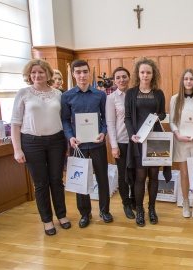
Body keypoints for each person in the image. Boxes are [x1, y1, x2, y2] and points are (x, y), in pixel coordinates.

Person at [11, 59, 70, 236]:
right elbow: (15, 123)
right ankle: (47, 220)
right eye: (33, 72)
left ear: (48, 74)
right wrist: (17, 149)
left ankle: (62, 215)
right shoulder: (23, 93)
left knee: (57, 181)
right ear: (29, 75)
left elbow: (64, 120)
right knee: (41, 184)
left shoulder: (58, 94)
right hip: (31, 143)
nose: (37, 75)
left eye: (41, 72)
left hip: (57, 142)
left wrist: (67, 143)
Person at [61, 59, 112, 228]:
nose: (82, 75)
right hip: (78, 145)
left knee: (103, 178)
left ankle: (104, 210)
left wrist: (103, 133)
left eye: (85, 71)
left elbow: (105, 119)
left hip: (97, 144)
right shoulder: (66, 96)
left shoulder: (100, 95)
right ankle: (85, 213)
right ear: (74, 74)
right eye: (78, 72)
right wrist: (70, 136)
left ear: (89, 72)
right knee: (80, 179)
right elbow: (65, 121)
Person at [125, 57, 166, 227]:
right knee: (140, 176)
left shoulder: (159, 93)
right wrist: (131, 135)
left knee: (154, 175)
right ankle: (140, 210)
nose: (145, 75)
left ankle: (152, 209)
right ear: (138, 73)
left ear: (153, 74)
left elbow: (163, 113)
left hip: (155, 139)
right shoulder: (131, 93)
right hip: (138, 140)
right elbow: (127, 117)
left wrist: (158, 117)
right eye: (142, 72)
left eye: (148, 72)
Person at [169, 68, 193, 218]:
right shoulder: (175, 99)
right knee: (184, 174)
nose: (188, 82)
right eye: (186, 79)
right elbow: (172, 121)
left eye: (191, 79)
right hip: (182, 141)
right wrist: (177, 134)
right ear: (182, 81)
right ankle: (186, 202)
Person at [106, 66, 136, 219]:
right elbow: (110, 123)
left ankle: (135, 201)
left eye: (124, 76)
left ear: (129, 78)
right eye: (118, 77)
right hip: (122, 141)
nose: (121, 80)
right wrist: (114, 145)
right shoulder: (111, 98)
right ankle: (126, 203)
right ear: (114, 80)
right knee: (124, 175)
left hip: (136, 141)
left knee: (136, 174)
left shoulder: (135, 94)